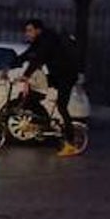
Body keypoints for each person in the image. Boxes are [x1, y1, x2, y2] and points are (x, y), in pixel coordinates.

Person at [10, 18, 82, 157]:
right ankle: (43, 121)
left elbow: (38, 59)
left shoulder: (48, 40)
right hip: (57, 75)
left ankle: (70, 144)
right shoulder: (39, 41)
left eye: (30, 30)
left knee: (62, 107)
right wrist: (8, 66)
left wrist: (26, 75)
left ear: (38, 30)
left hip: (66, 76)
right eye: (26, 31)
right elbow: (27, 55)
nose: (27, 33)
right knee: (34, 89)